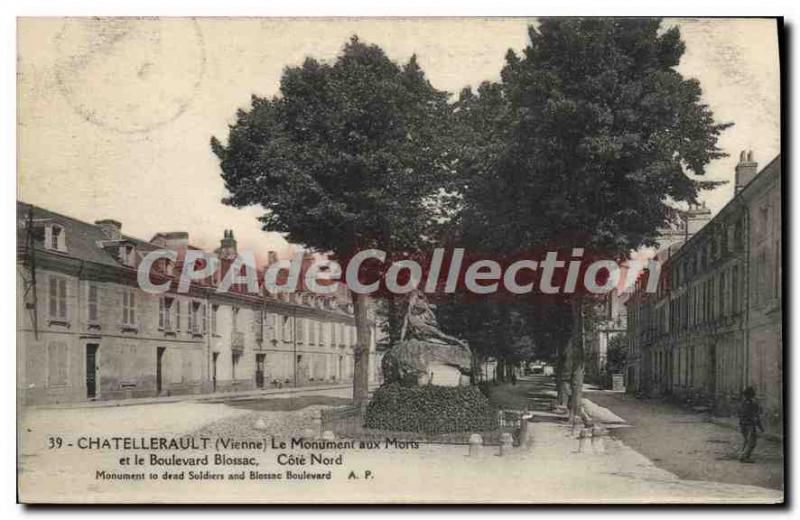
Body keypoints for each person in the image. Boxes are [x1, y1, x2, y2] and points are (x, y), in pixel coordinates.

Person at [738, 386, 765, 463]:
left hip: (743, 425)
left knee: (747, 441)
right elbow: (756, 417)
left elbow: (740, 414)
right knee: (752, 442)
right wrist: (761, 427)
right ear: (751, 395)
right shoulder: (752, 404)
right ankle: (744, 456)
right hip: (749, 425)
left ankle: (743, 455)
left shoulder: (743, 403)